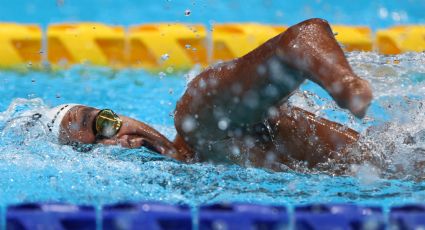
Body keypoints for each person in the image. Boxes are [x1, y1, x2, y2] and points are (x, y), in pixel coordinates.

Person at [30, 18, 373, 172]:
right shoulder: (195, 175)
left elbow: (302, 38)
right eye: (92, 150)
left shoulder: (199, 121)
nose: (113, 141)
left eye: (103, 124)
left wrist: (346, 85)